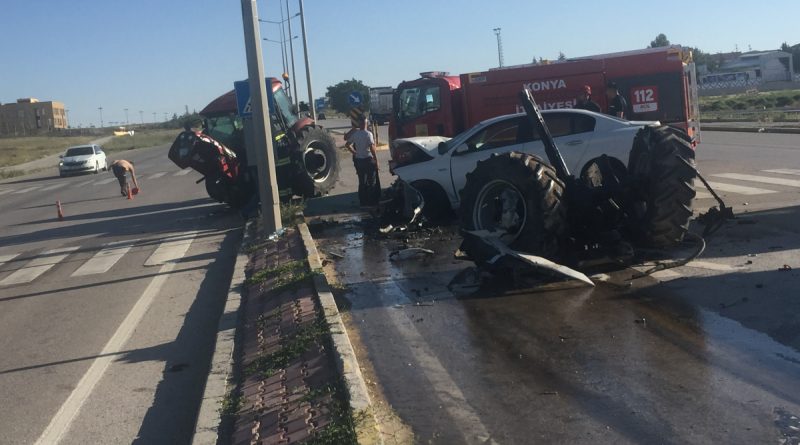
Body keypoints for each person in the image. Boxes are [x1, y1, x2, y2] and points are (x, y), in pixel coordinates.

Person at [345, 117, 380, 207]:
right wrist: (376, 160)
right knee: (371, 181)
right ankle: (371, 202)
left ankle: (363, 202)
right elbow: (372, 148)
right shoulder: (368, 134)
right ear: (365, 123)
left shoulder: (355, 134)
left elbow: (347, 144)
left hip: (359, 161)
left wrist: (355, 153)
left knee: (362, 182)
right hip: (368, 160)